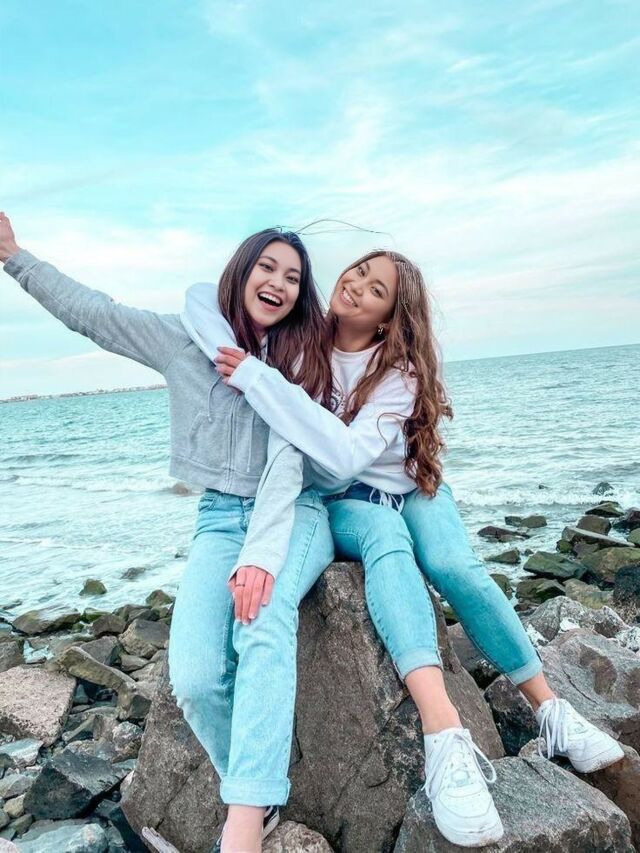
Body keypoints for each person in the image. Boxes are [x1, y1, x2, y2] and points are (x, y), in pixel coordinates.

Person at [182, 249, 625, 848]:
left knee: (453, 565)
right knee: (384, 537)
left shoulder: (400, 372)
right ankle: (445, 736)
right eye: (358, 273)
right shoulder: (302, 341)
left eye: (377, 290)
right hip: (346, 503)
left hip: (408, 486)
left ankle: (550, 710)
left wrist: (257, 379)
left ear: (391, 316)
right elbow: (200, 299)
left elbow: (346, 452)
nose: (357, 287)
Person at [0, 212, 335, 853]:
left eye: (293, 277)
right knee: (195, 679)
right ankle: (257, 787)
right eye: (266, 267)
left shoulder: (303, 357)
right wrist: (15, 256)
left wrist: (263, 555)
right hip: (218, 517)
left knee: (262, 618)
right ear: (240, 273)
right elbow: (94, 314)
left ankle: (244, 818)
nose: (278, 283)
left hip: (293, 510)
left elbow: (293, 459)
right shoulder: (183, 340)